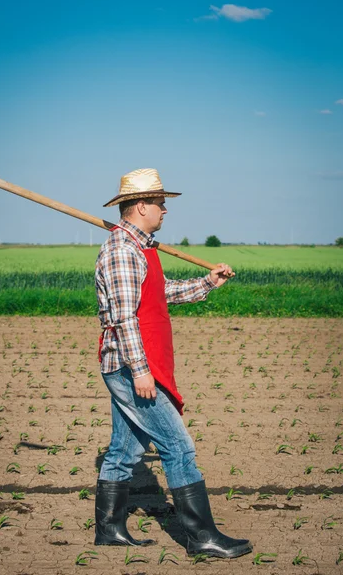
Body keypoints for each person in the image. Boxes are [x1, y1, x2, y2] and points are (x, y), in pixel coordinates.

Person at [94, 168, 252, 559]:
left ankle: (109, 530)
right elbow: (124, 317)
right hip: (132, 367)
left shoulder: (140, 248)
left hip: (134, 365)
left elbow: (158, 293)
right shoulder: (121, 251)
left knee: (124, 450)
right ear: (142, 206)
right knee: (178, 446)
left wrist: (208, 282)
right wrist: (141, 370)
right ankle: (202, 538)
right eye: (161, 203)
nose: (166, 210)